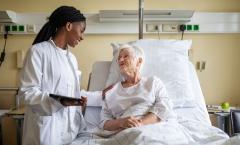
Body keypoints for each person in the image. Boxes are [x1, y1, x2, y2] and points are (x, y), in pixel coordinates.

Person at [18, 6, 88, 145]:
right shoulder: (38, 52)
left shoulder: (72, 59)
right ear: (68, 26)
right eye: (81, 31)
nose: (82, 37)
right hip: (46, 131)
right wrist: (60, 101)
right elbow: (28, 92)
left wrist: (77, 101)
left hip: (69, 131)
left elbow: (69, 91)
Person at [99, 44, 176, 132]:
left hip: (153, 127)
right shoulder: (111, 91)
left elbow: (165, 106)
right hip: (124, 131)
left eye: (125, 56)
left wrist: (140, 123)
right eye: (118, 58)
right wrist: (121, 122)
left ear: (139, 61)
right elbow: (103, 123)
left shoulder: (153, 82)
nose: (120, 60)